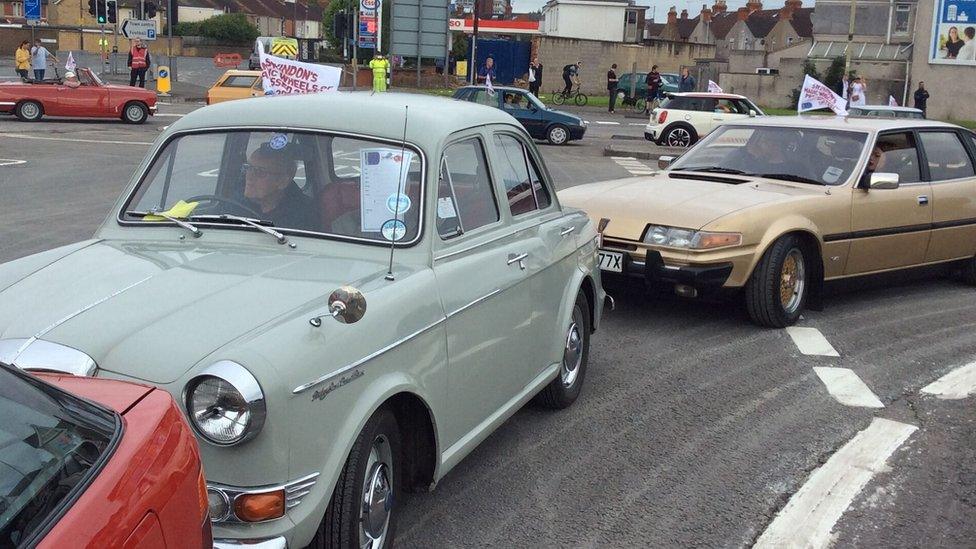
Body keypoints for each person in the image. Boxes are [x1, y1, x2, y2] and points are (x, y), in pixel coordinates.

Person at [241, 142, 317, 231]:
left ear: (283, 181)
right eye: (248, 168)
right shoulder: (235, 200)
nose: (249, 176)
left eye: (260, 172)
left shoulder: (303, 214)